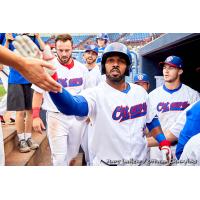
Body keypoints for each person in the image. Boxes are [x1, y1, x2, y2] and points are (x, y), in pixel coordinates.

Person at [49, 42, 172, 166]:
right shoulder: (94, 94)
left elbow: (151, 120)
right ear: (104, 65)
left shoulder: (140, 92)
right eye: (110, 60)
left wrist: (163, 142)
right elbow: (71, 106)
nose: (115, 64)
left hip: (141, 162)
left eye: (121, 61)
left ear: (128, 67)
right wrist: (51, 81)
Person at [31, 34, 89, 165]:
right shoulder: (48, 67)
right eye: (60, 50)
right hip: (56, 116)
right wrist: (35, 116)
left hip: (76, 117)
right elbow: (38, 92)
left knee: (73, 154)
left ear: (72, 48)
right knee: (59, 157)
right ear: (55, 49)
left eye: (67, 50)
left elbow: (88, 93)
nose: (64, 53)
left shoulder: (82, 69)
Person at [148, 56, 200, 164]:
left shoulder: (193, 95)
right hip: (158, 149)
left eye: (171, 68)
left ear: (180, 71)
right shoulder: (152, 96)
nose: (166, 71)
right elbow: (148, 125)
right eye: (164, 67)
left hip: (181, 148)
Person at [4, 33, 46, 153]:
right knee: (20, 111)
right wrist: (7, 41)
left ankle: (28, 138)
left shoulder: (32, 36)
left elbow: (43, 50)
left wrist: (38, 36)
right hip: (16, 79)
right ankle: (21, 140)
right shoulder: (11, 36)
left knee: (30, 111)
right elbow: (3, 55)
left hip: (30, 78)